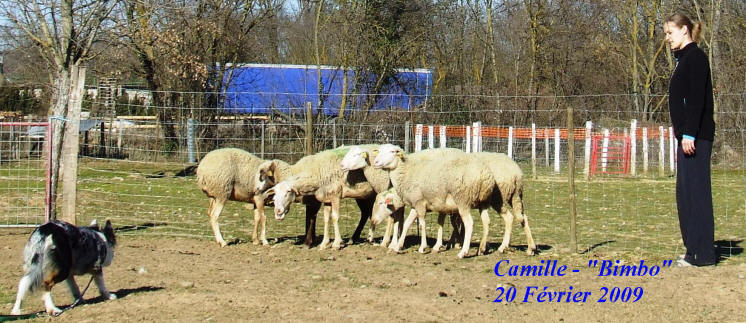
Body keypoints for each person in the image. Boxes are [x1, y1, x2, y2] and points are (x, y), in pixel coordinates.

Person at [664, 14, 717, 267]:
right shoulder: (682, 60)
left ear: (684, 30)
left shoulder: (695, 59)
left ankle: (704, 254)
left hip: (695, 137)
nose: (667, 38)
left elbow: (696, 100)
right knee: (685, 195)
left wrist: (689, 133)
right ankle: (692, 250)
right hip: (686, 136)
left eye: (670, 33)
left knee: (697, 194)